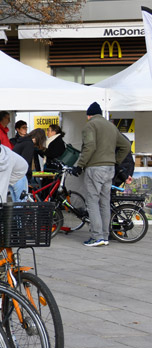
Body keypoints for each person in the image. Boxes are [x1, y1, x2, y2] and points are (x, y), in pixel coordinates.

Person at [75, 102, 131, 247]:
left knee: (92, 202)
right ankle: (105, 236)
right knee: (104, 203)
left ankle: (96, 237)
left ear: (89, 115)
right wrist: (116, 161)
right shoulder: (111, 126)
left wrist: (79, 165)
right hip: (109, 169)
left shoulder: (90, 125)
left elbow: (89, 146)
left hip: (95, 168)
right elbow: (126, 145)